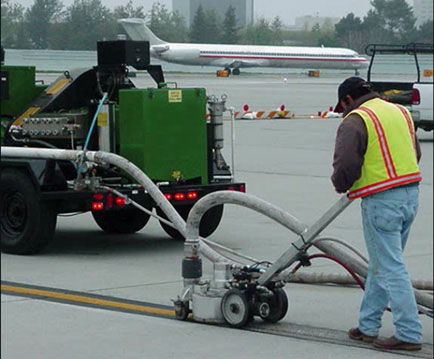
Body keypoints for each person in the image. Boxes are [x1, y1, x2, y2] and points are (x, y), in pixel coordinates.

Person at [331, 77, 423, 351]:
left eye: (343, 107)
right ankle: (368, 326)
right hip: (410, 194)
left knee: (390, 267)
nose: (344, 112)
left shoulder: (356, 119)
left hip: (382, 201)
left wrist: (341, 184)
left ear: (347, 100)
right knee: (381, 263)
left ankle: (409, 332)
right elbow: (414, 152)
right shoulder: (399, 111)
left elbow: (346, 164)